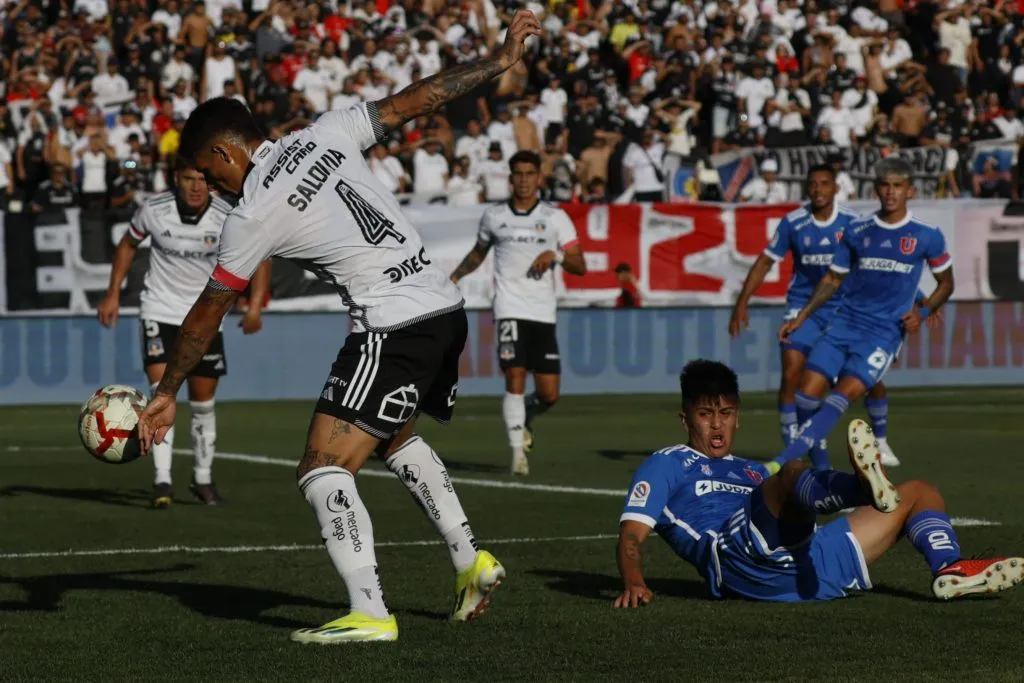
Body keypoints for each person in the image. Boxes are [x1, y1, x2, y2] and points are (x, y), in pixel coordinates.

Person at [136, 9, 545, 645]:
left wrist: (166, 392)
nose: (213, 186)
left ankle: (369, 610)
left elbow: (207, 310)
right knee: (392, 437)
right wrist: (499, 61)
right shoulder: (325, 131)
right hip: (442, 307)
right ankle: (471, 560)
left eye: (210, 172)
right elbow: (420, 99)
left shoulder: (252, 214)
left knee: (322, 464)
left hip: (392, 323)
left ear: (222, 152)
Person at [614, 359, 1022, 608]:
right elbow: (631, 535)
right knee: (791, 471)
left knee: (918, 491)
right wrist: (635, 582)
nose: (717, 425)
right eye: (705, 414)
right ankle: (861, 488)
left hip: (800, 564)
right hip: (736, 558)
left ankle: (949, 568)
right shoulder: (667, 463)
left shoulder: (751, 470)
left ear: (738, 416)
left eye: (726, 413)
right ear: (686, 419)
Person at [97, 161, 270, 508]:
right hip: (159, 310)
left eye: (202, 180)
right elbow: (128, 245)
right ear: (176, 179)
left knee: (203, 403)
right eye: (189, 179)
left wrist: (255, 306)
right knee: (162, 393)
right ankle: (163, 480)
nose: (196, 187)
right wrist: (113, 292)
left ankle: (203, 479)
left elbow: (261, 256)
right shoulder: (153, 209)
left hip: (205, 317)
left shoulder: (228, 215)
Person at [770, 158, 954, 473]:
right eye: (885, 186)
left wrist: (923, 310)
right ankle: (822, 475)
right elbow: (832, 279)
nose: (890, 192)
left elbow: (946, 283)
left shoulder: (927, 235)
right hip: (843, 324)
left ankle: (781, 463)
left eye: (897, 186)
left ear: (909, 190)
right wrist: (801, 318)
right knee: (805, 398)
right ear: (876, 189)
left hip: (883, 333)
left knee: (839, 397)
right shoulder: (857, 230)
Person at [730, 164, 901, 467]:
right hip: (803, 308)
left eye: (825, 184)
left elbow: (878, 266)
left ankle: (882, 439)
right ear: (806, 189)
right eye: (813, 184)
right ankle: (796, 452)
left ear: (836, 188)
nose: (819, 190)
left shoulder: (854, 223)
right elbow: (764, 262)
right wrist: (742, 301)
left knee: (869, 378)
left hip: (846, 310)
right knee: (791, 372)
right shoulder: (793, 223)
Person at [449, 150, 587, 476]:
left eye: (530, 174)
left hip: (543, 312)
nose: (524, 180)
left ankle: (525, 416)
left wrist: (555, 255)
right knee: (514, 375)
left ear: (539, 178)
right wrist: (453, 278)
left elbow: (580, 264)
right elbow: (478, 253)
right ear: (510, 178)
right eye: (518, 174)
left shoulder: (556, 218)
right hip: (509, 308)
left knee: (550, 394)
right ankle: (517, 456)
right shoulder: (494, 216)